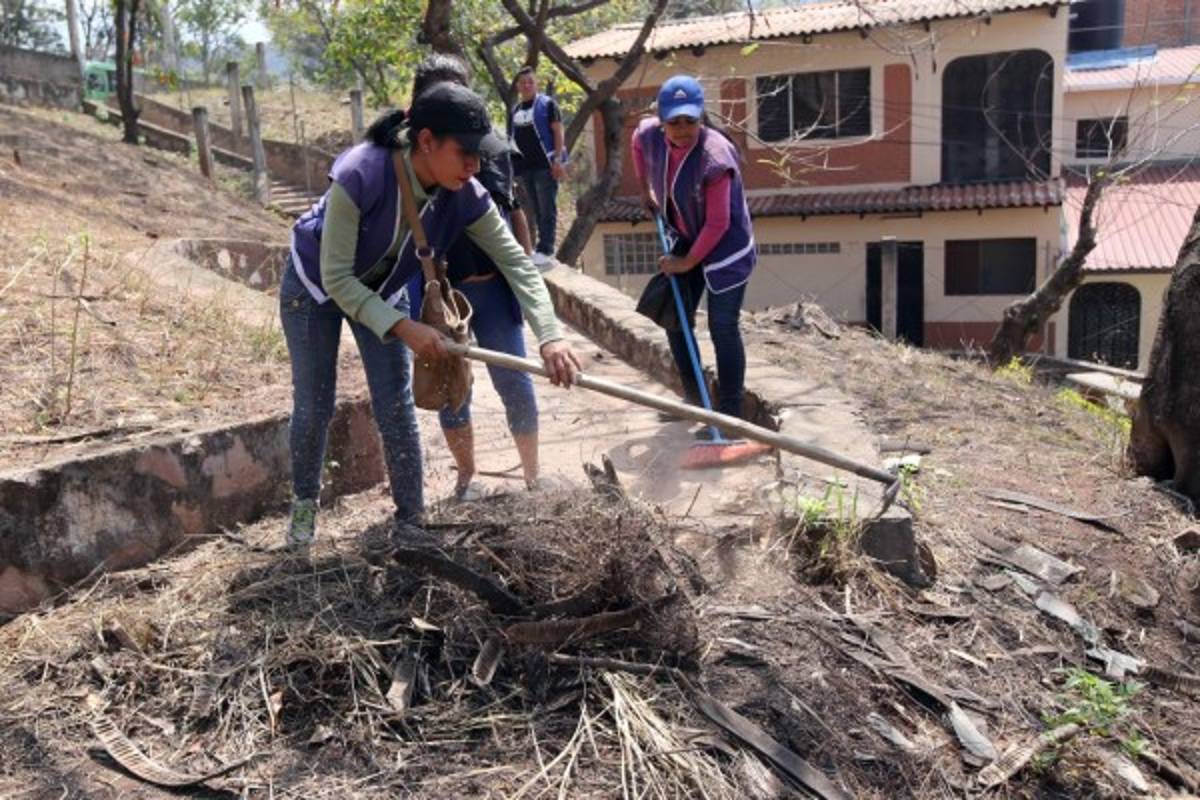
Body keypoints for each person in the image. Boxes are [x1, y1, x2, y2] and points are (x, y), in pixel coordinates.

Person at [281, 81, 580, 548]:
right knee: (315, 402)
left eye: (480, 155)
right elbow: (337, 278)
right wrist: (403, 326)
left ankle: (412, 521)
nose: (474, 166)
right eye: (464, 153)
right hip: (315, 285)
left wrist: (550, 335)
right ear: (426, 141)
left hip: (384, 286)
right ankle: (303, 509)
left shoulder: (465, 192)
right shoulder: (360, 173)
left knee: (395, 403)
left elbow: (517, 263)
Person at [403, 55, 545, 499]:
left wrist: (525, 282)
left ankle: (533, 477)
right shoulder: (402, 165)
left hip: (493, 287)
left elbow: (514, 212)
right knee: (452, 389)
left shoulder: (490, 150)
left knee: (514, 381)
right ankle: (467, 479)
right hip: (441, 292)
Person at [631, 75, 756, 427]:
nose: (682, 129)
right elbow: (636, 143)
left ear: (701, 117)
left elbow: (718, 224)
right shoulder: (650, 134)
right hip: (688, 233)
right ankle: (695, 401)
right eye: (674, 122)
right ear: (662, 120)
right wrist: (645, 190)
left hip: (727, 246)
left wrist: (684, 263)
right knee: (677, 319)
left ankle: (731, 416)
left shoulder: (715, 157)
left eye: (690, 121)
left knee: (722, 326)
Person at [508, 66, 567, 268]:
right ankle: (536, 249)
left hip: (546, 165)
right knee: (534, 208)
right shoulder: (515, 110)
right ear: (518, 86)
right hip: (525, 168)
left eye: (530, 82)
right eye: (523, 83)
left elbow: (558, 132)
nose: (527, 86)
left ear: (536, 84)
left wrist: (558, 160)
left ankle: (546, 249)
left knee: (546, 207)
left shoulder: (548, 105)